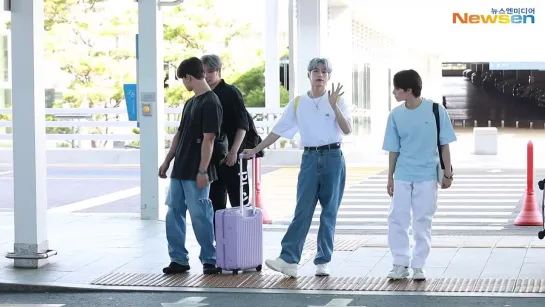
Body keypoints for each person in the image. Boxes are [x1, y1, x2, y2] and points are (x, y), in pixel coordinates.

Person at [243, 58, 352, 278]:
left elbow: (347, 129)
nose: (319, 74)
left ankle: (323, 260)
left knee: (329, 211)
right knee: (302, 210)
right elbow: (279, 129)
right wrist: (256, 149)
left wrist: (334, 106)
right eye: (315, 71)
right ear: (309, 75)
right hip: (310, 158)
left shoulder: (337, 100)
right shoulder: (298, 102)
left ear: (329, 76)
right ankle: (289, 259)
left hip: (333, 156)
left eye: (324, 71)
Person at [382, 69, 456, 280]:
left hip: (428, 175)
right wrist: (390, 177)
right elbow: (393, 149)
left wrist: (448, 174)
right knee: (397, 219)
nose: (394, 92)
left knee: (423, 221)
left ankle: (418, 265)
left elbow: (444, 145)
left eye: (397, 88)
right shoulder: (395, 115)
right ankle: (400, 263)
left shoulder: (435, 110)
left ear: (408, 90)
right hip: (403, 174)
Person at [158, 57, 223, 275]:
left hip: (197, 171)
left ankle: (209, 259)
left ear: (189, 77)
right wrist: (167, 160)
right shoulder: (191, 103)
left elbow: (209, 139)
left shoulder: (211, 102)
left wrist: (203, 169)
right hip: (180, 168)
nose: (183, 85)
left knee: (200, 215)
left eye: (182, 80)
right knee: (173, 211)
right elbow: (179, 134)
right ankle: (178, 259)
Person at [200, 54, 250, 218]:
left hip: (233, 156)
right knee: (215, 202)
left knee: (239, 201)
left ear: (218, 71)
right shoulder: (202, 95)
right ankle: (219, 241)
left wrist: (234, 151)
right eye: (203, 72)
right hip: (213, 158)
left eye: (210, 71)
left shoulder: (231, 92)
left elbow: (243, 125)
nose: (207, 75)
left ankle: (244, 239)